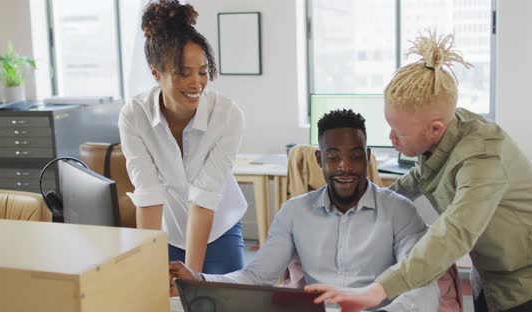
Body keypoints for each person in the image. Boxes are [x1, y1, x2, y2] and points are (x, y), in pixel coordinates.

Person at [306, 32, 532, 312]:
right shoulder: (444, 129)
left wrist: (379, 290)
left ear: (434, 129)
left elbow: (455, 232)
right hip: (493, 267)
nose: (391, 138)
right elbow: (416, 181)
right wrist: (366, 205)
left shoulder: (482, 157)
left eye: (398, 132)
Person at [169, 109, 440, 311]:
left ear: (367, 157)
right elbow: (256, 276)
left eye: (355, 156)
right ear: (319, 159)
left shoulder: (400, 212)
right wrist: (198, 277)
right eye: (333, 157)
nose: (345, 166)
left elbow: (422, 286)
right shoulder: (295, 213)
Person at [118, 0, 247, 274]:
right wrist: (148, 266)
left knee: (219, 299)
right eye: (183, 73)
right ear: (156, 72)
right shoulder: (134, 116)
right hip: (168, 228)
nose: (196, 84)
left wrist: (193, 277)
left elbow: (204, 198)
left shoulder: (225, 115)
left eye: (202, 72)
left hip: (217, 228)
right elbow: (149, 194)